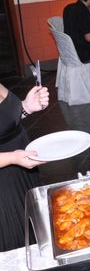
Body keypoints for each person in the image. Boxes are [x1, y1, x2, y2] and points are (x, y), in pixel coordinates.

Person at [0, 83, 49, 252]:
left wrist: (27, 106)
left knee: (36, 239)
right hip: (4, 190)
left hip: (21, 173)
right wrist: (12, 157)